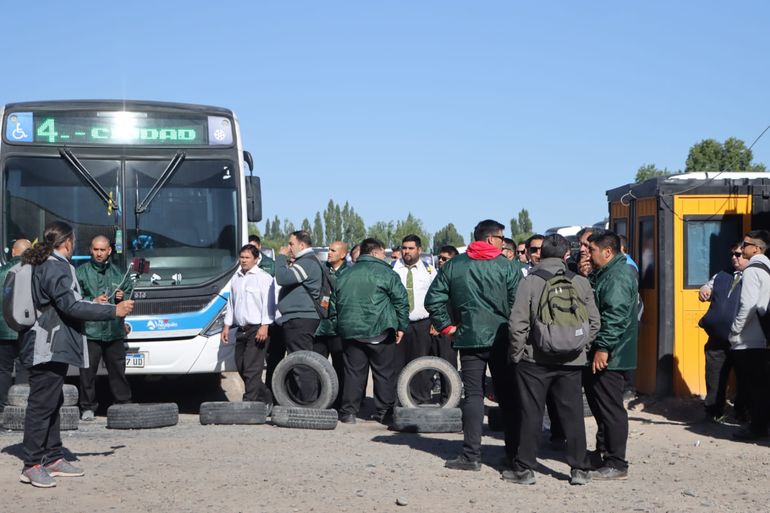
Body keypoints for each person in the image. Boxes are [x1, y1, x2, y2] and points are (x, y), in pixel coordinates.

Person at [18, 221, 134, 488]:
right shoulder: (55, 265)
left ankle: (54, 457)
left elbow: (64, 304)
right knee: (41, 405)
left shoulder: (46, 263)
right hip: (47, 345)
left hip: (49, 343)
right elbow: (70, 306)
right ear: (67, 241)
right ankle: (32, 464)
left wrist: (93, 305)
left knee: (53, 401)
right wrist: (112, 312)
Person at [426, 219, 521, 471]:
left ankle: (471, 455)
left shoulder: (455, 266)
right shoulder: (507, 267)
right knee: (508, 396)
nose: (503, 242)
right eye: (501, 238)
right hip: (503, 339)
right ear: (491, 239)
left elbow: (433, 298)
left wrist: (447, 326)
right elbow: (519, 304)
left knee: (474, 396)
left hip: (468, 339)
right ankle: (513, 455)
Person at [506, 234, 600, 485]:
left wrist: (517, 354)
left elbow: (517, 324)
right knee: (573, 415)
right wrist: (580, 347)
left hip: (534, 360)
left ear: (540, 253)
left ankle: (525, 469)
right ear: (566, 255)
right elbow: (594, 322)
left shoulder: (530, 282)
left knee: (531, 414)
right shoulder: (580, 282)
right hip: (572, 361)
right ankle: (579, 469)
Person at [332, 238, 409, 424]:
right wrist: (401, 326)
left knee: (353, 373)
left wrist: (339, 325)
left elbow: (334, 304)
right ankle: (384, 412)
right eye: (384, 252)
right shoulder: (387, 273)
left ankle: (349, 412)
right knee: (383, 373)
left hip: (351, 332)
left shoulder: (345, 274)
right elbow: (401, 301)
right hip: (380, 330)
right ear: (375, 252)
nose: (386, 256)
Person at [584, 230, 638, 480]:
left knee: (611, 408)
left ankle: (617, 462)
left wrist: (603, 347)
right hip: (606, 350)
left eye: (592, 250)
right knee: (601, 405)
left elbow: (615, 316)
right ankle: (604, 452)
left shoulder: (618, 275)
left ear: (607, 252)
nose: (588, 253)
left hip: (613, 354)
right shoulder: (606, 272)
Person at [77, 235, 134, 421]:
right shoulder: (81, 273)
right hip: (91, 331)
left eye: (103, 250)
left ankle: (123, 403)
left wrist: (121, 298)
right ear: (90, 250)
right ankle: (87, 407)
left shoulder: (119, 273)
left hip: (114, 331)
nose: (99, 253)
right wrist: (92, 301)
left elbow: (129, 299)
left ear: (109, 250)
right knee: (87, 373)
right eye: (96, 249)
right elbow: (73, 300)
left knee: (118, 370)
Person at [271, 230, 323, 402]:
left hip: (300, 319)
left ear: (302, 245)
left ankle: (308, 403)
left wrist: (280, 257)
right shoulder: (305, 261)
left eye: (291, 244)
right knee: (298, 361)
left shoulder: (307, 262)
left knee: (301, 364)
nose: (288, 247)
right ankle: (301, 399)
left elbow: (282, 277)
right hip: (297, 318)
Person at [698, 243, 747, 422]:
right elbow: (708, 288)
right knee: (714, 375)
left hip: (744, 339)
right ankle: (713, 410)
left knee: (745, 377)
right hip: (717, 338)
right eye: (732, 254)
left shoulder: (755, 277)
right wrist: (704, 290)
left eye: (739, 254)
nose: (735, 257)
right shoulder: (723, 275)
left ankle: (743, 412)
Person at [728, 230, 770, 441]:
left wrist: (735, 329)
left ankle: (757, 428)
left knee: (754, 387)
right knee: (761, 385)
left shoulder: (753, 271)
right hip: (762, 337)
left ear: (757, 248)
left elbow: (748, 304)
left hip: (749, 339)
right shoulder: (767, 268)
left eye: (745, 244)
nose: (742, 248)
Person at [221, 244, 275, 404]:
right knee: (240, 365)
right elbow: (231, 303)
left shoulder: (264, 278)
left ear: (256, 259)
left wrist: (265, 325)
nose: (243, 261)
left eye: (247, 258)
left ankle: (249, 402)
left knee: (252, 367)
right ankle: (266, 397)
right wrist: (226, 325)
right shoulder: (236, 277)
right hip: (241, 329)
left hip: (257, 329)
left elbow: (269, 303)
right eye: (242, 257)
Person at [392, 235, 437, 404]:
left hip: (422, 324)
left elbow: (436, 297)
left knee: (420, 362)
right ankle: (398, 400)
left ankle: (420, 399)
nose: (407, 251)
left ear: (419, 249)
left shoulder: (429, 271)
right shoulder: (393, 269)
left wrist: (435, 321)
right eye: (404, 248)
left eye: (411, 248)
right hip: (399, 324)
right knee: (397, 364)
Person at [314, 240, 349, 409]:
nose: (329, 253)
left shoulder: (349, 272)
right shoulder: (321, 269)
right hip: (322, 326)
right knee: (318, 365)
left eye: (333, 250)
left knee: (340, 366)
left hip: (340, 327)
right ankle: (319, 398)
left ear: (343, 254)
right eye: (329, 249)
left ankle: (339, 401)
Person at [0, 238, 32, 412]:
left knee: (3, 370)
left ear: (13, 252)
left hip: (3, 330)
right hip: (24, 329)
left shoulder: (1, 272)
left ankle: (2, 406)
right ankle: (21, 405)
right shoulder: (32, 273)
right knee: (24, 368)